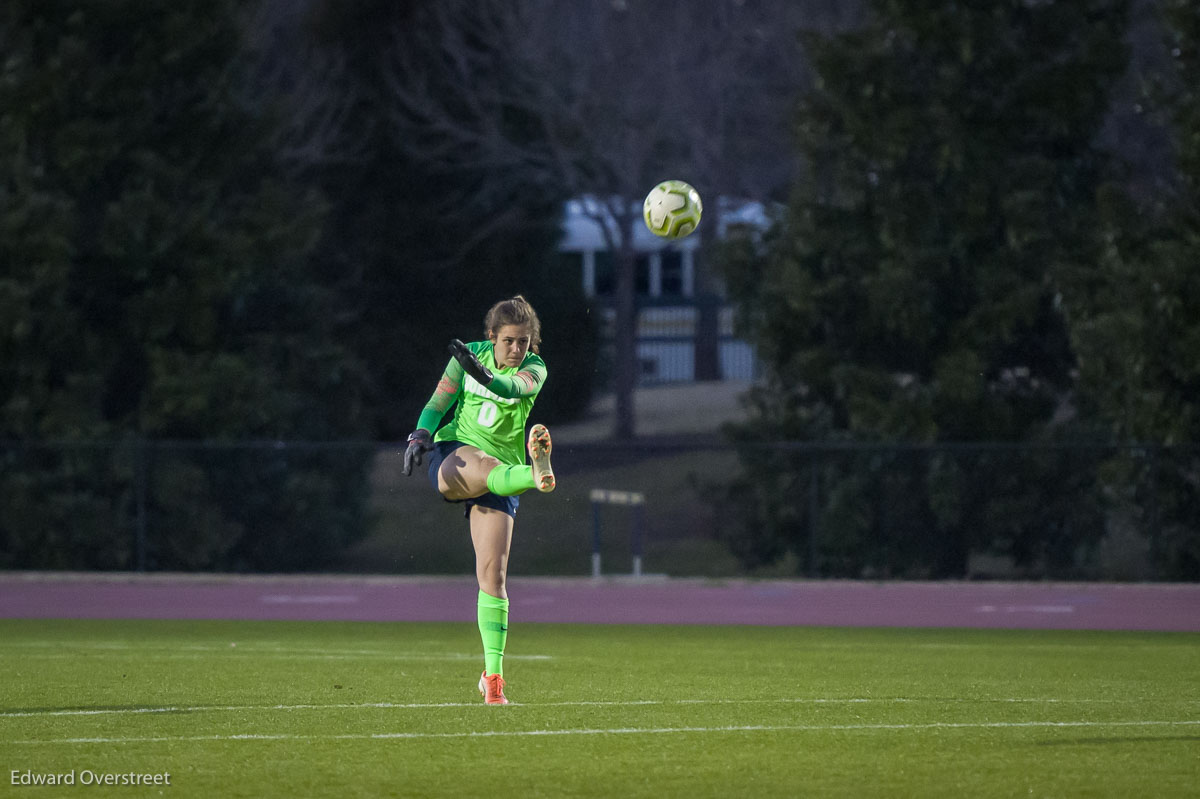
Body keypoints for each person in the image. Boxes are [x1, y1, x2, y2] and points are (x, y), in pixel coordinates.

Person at [402, 295, 555, 706]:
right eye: (509, 341)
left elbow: (508, 384)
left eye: (524, 342)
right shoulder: (469, 356)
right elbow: (438, 402)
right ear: (492, 336)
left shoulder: (534, 370)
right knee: (487, 466)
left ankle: (493, 679)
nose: (517, 350)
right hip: (457, 454)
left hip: (499, 477)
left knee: (494, 577)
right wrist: (420, 434)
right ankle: (534, 474)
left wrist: (486, 375)